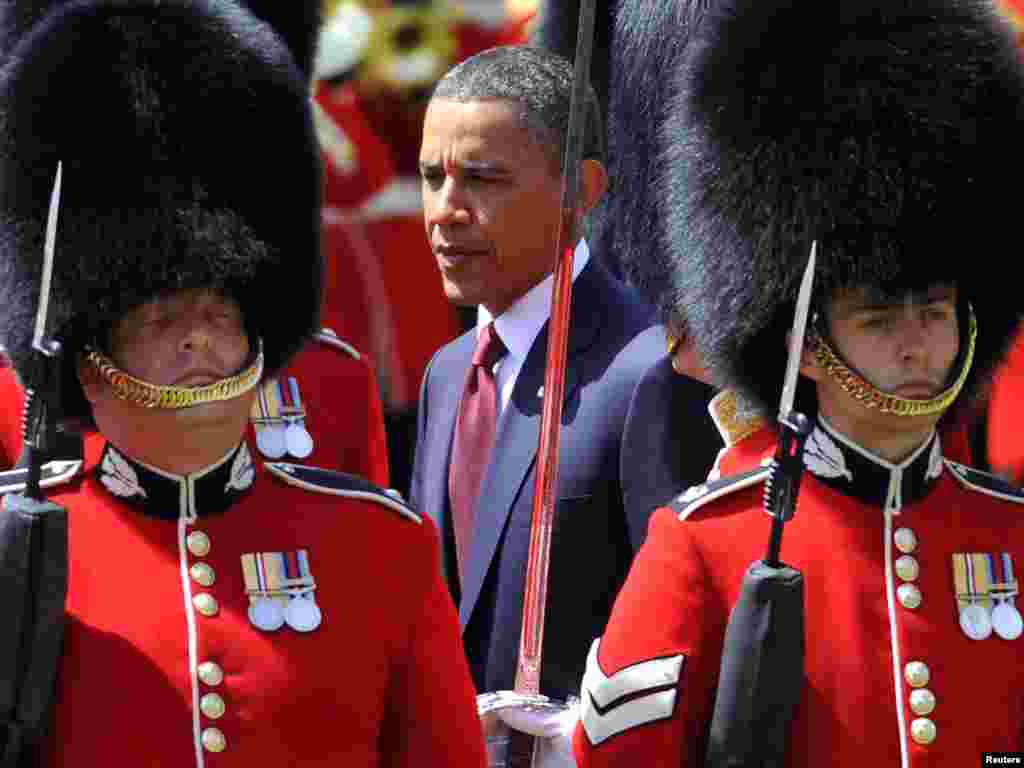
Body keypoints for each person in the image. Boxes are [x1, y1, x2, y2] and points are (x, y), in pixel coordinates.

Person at [0, 2, 485, 765]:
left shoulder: (378, 546)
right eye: (161, 319)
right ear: (91, 358)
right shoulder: (20, 545)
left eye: (219, 314)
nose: (197, 336)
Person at [574, 0, 1024, 765]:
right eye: (880, 321)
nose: (917, 345)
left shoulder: (1010, 531)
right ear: (808, 348)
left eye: (937, 313)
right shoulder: (705, 546)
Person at [409, 45, 663, 708]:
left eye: (483, 179)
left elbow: (675, 640)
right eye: (432, 178)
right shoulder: (446, 372)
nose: (444, 210)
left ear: (580, 190)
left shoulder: (647, 370)